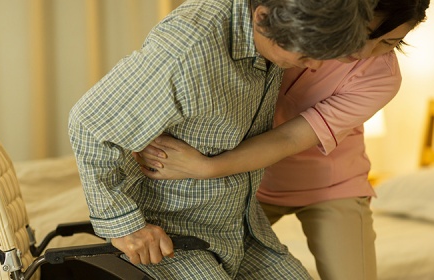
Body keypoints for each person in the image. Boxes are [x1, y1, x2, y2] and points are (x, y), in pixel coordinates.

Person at [68, 0, 376, 279]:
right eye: (307, 54)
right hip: (173, 236)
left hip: (240, 228)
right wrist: (126, 227)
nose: (315, 66)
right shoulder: (189, 50)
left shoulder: (277, 30)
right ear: (263, 17)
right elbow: (89, 125)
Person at [134, 0, 430, 279]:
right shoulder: (293, 30)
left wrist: (206, 167)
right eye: (367, 35)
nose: (366, 52)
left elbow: (290, 137)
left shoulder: (381, 77)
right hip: (249, 181)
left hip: (330, 185)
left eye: (390, 43)